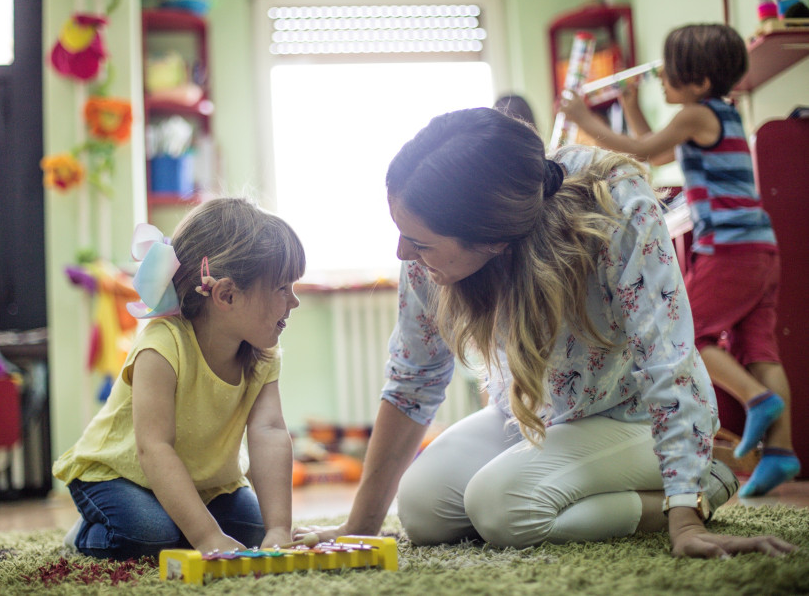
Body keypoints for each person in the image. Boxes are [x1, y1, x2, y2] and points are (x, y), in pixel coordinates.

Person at [294, 107, 796, 559]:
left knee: (501, 508)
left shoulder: (616, 202)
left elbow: (667, 359)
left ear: (492, 241)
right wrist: (360, 524)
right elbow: (412, 379)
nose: (403, 253)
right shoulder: (430, 241)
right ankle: (581, 488)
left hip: (635, 417)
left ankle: (699, 484)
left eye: (418, 242)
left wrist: (684, 519)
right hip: (542, 414)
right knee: (423, 509)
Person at [561, 23, 801, 497]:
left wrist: (584, 118)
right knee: (759, 349)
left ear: (697, 82)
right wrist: (629, 106)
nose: (662, 80)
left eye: (669, 73)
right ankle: (781, 451)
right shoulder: (719, 113)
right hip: (760, 250)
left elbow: (640, 152)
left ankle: (758, 400)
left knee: (690, 336)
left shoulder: (695, 114)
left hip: (730, 251)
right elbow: (660, 149)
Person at [53, 197, 305, 560]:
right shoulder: (162, 345)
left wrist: (279, 529)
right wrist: (205, 537)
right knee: (148, 536)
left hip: (203, 483)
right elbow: (153, 448)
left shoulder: (263, 355)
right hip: (118, 475)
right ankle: (86, 533)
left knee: (253, 531)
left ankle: (182, 524)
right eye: (282, 288)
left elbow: (269, 430)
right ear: (226, 294)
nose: (293, 301)